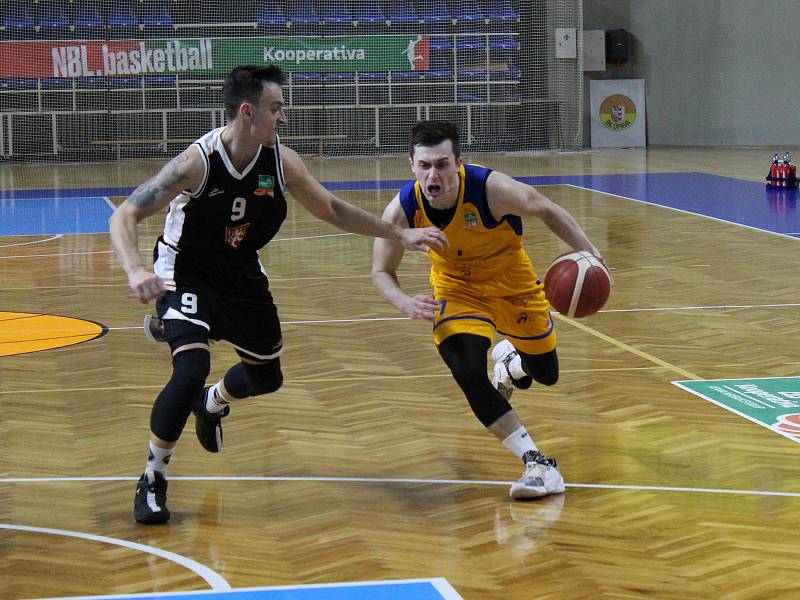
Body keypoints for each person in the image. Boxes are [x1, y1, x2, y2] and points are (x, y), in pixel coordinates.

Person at [109, 65, 448, 525]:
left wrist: (398, 234)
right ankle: (153, 476)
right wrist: (134, 268)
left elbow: (330, 208)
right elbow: (124, 214)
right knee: (191, 366)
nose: (284, 117)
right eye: (276, 108)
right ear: (248, 112)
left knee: (267, 378)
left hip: (241, 274)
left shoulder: (280, 161)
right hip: (184, 271)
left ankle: (213, 403)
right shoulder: (198, 162)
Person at [372, 121, 607, 500]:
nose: (434, 175)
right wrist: (403, 301)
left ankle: (513, 363)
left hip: (513, 284)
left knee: (546, 374)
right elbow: (381, 271)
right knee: (466, 369)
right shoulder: (402, 210)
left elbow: (547, 209)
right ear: (411, 166)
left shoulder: (491, 189)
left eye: (443, 164)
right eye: (425, 165)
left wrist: (589, 252)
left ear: (459, 163)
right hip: (457, 289)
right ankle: (537, 463)